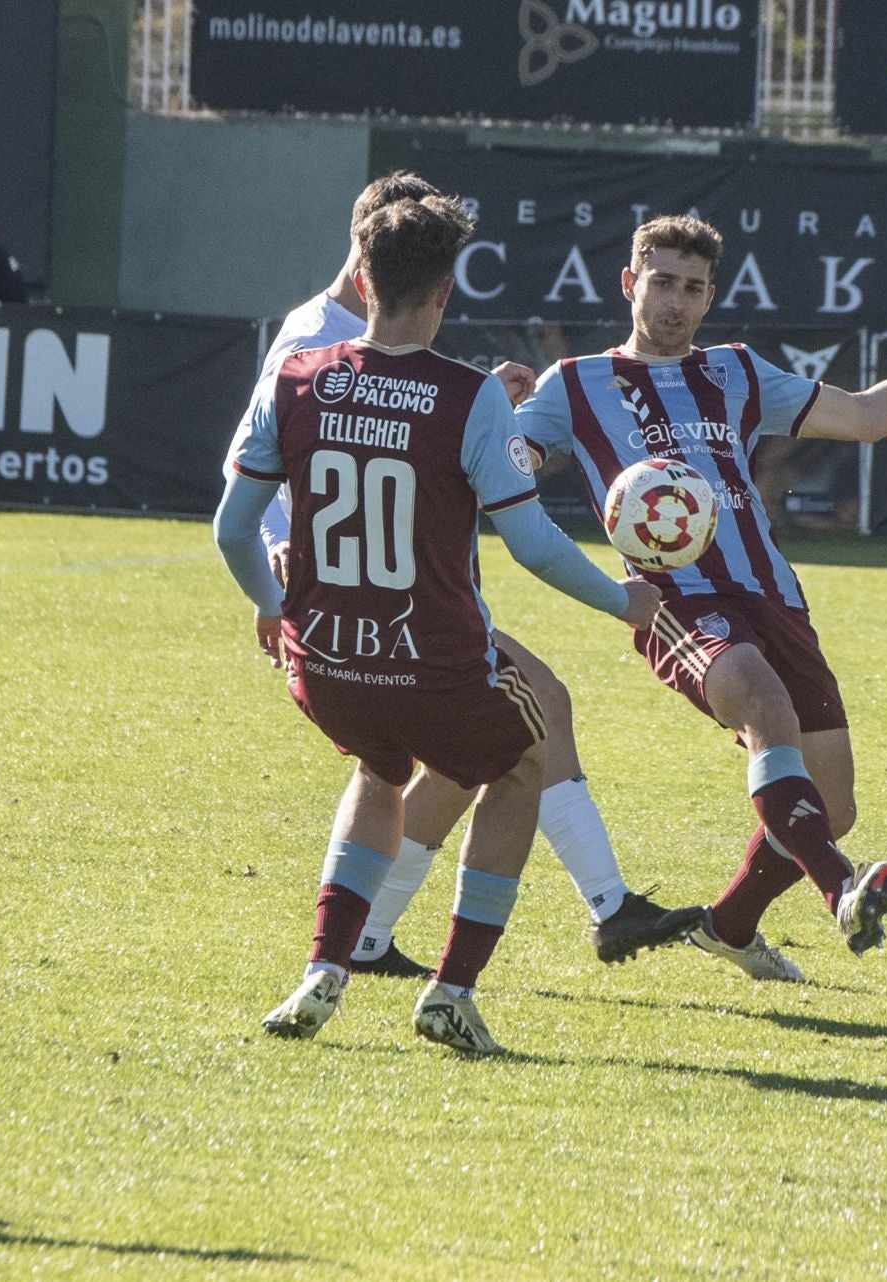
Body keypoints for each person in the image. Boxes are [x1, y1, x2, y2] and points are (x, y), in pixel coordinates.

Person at [516, 215, 887, 981]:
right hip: (675, 602)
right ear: (631, 285)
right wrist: (502, 438)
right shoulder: (574, 383)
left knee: (831, 806)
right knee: (764, 706)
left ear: (708, 298)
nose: (674, 301)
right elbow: (513, 459)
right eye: (661, 282)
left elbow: (867, 417)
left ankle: (728, 927)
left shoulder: (734, 371)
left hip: (772, 596)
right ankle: (842, 892)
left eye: (692, 288)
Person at [214, 196, 662, 1054]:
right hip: (433, 661)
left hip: (329, 662)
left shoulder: (296, 377)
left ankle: (325, 966)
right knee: (525, 761)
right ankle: (451, 990)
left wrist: (272, 611)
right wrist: (621, 599)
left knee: (379, 769)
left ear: (363, 276)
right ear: (445, 292)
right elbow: (529, 544)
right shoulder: (467, 398)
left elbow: (234, 530)